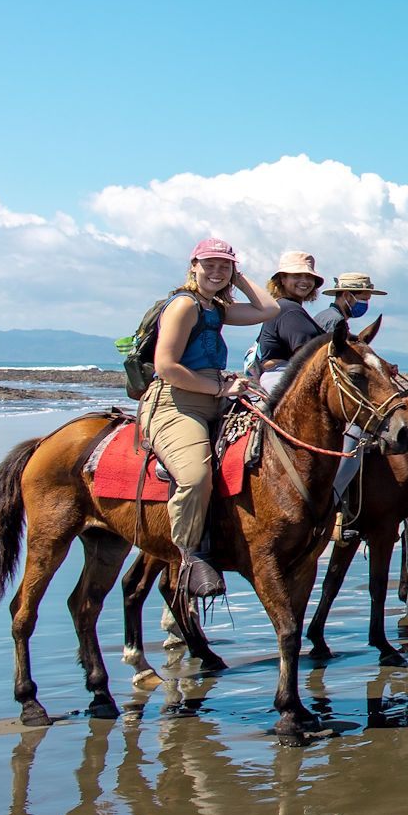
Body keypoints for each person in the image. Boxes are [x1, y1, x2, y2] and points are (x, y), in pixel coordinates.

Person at [142, 238, 281, 598]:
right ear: (193, 266)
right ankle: (191, 556)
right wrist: (218, 389)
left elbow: (268, 309)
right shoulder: (184, 306)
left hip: (211, 396)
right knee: (195, 474)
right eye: (210, 265)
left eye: (225, 266)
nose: (216, 272)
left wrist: (236, 278)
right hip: (177, 404)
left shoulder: (214, 308)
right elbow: (166, 367)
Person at [252, 251, 326, 389]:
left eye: (309, 277)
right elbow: (309, 355)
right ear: (282, 279)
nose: (304, 281)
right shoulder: (289, 309)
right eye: (297, 276)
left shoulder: (282, 306)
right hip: (286, 377)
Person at [315, 272, 386, 332]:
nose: (365, 304)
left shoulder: (324, 316)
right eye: (363, 299)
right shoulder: (337, 322)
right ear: (346, 295)